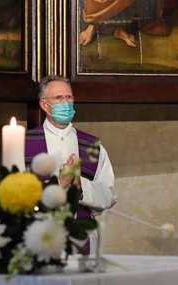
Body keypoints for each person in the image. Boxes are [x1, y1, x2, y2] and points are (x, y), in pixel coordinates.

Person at [25, 75, 118, 254]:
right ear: (44, 105)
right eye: (58, 98)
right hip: (40, 236)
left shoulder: (91, 146)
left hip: (81, 238)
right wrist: (59, 184)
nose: (65, 103)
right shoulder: (24, 143)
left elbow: (109, 195)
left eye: (69, 97)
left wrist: (79, 185)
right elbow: (14, 195)